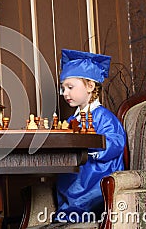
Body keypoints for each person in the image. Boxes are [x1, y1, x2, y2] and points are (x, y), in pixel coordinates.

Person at [55, 49, 126, 222]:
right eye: (63, 88)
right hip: (75, 176)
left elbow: (116, 143)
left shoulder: (104, 116)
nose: (65, 93)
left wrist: (90, 145)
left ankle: (81, 211)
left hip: (96, 177)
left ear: (90, 86)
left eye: (70, 87)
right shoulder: (72, 119)